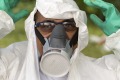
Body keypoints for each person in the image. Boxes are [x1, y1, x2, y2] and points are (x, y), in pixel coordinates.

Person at [0, 0, 120, 80]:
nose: (58, 35)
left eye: (68, 26)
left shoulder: (101, 72)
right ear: (32, 30)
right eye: (46, 25)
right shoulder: (10, 64)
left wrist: (118, 38)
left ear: (79, 33)